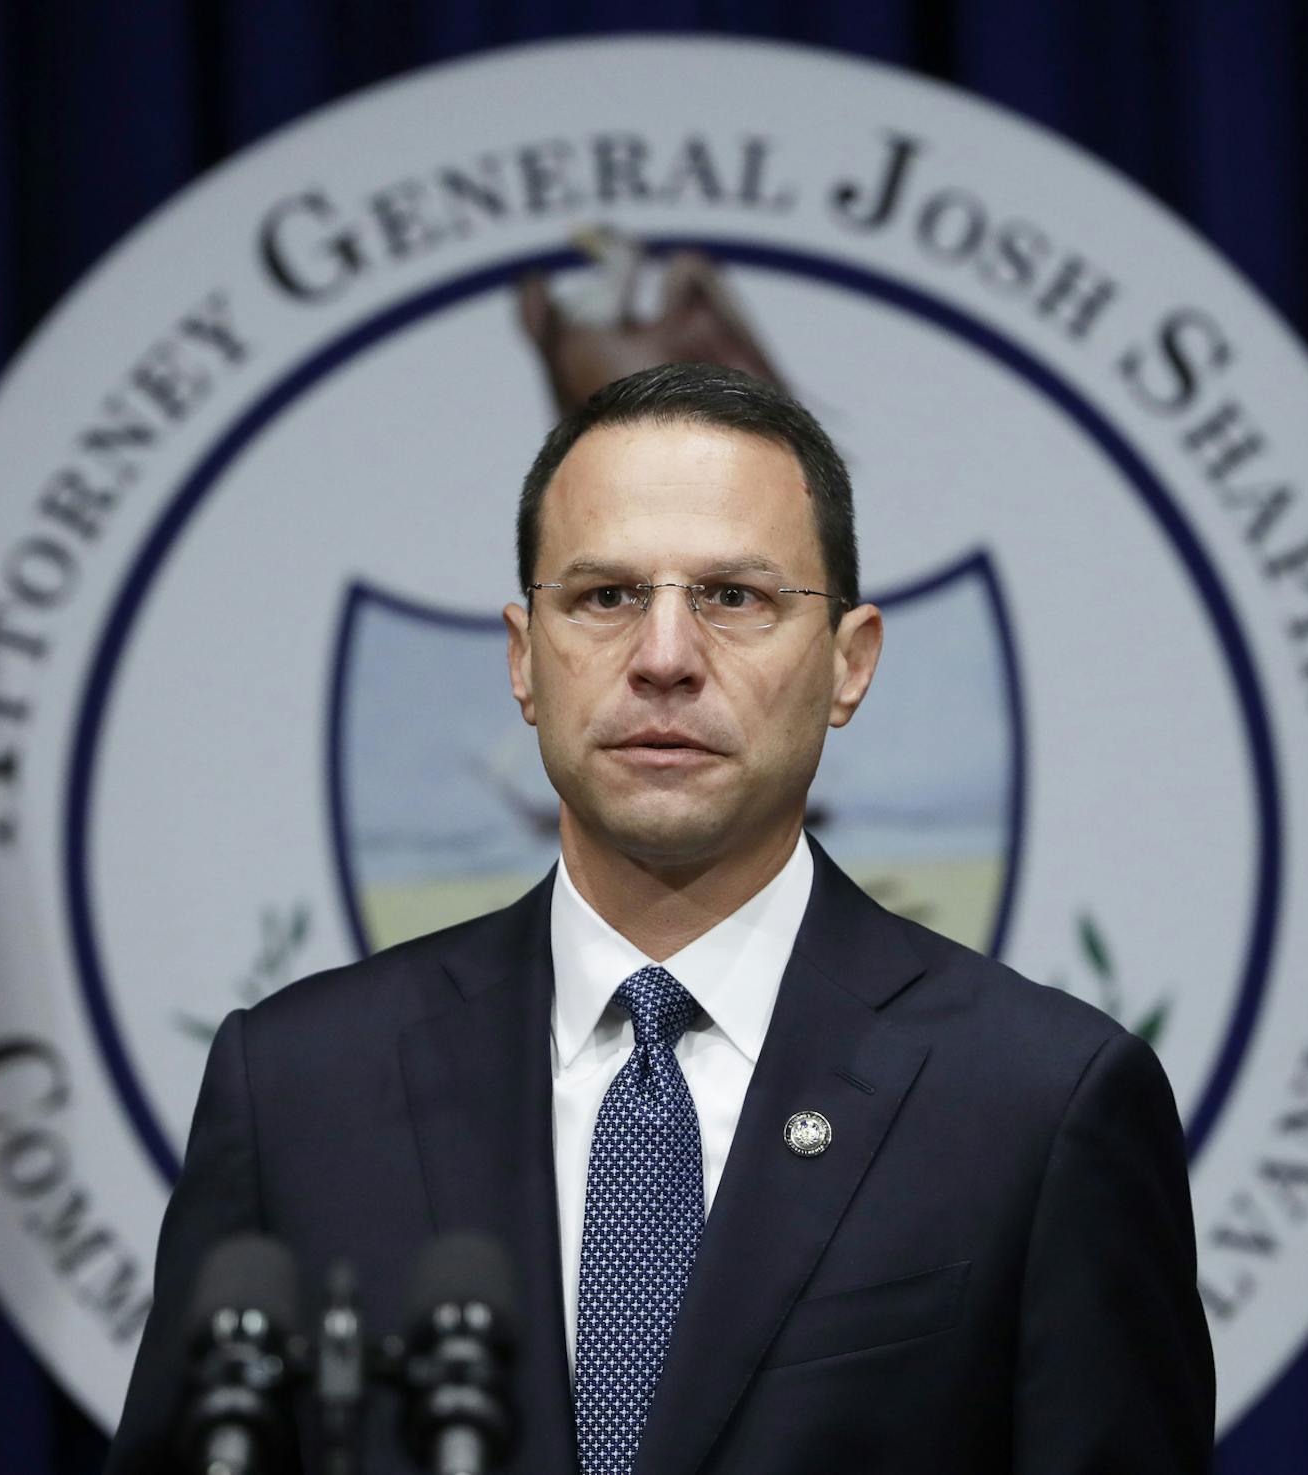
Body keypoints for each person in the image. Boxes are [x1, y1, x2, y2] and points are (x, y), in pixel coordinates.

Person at [107, 361, 1214, 1474]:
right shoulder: (301, 1087)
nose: (666, 658)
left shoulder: (1040, 1103)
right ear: (523, 660)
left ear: (850, 662)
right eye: (605, 597)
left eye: (735, 597)